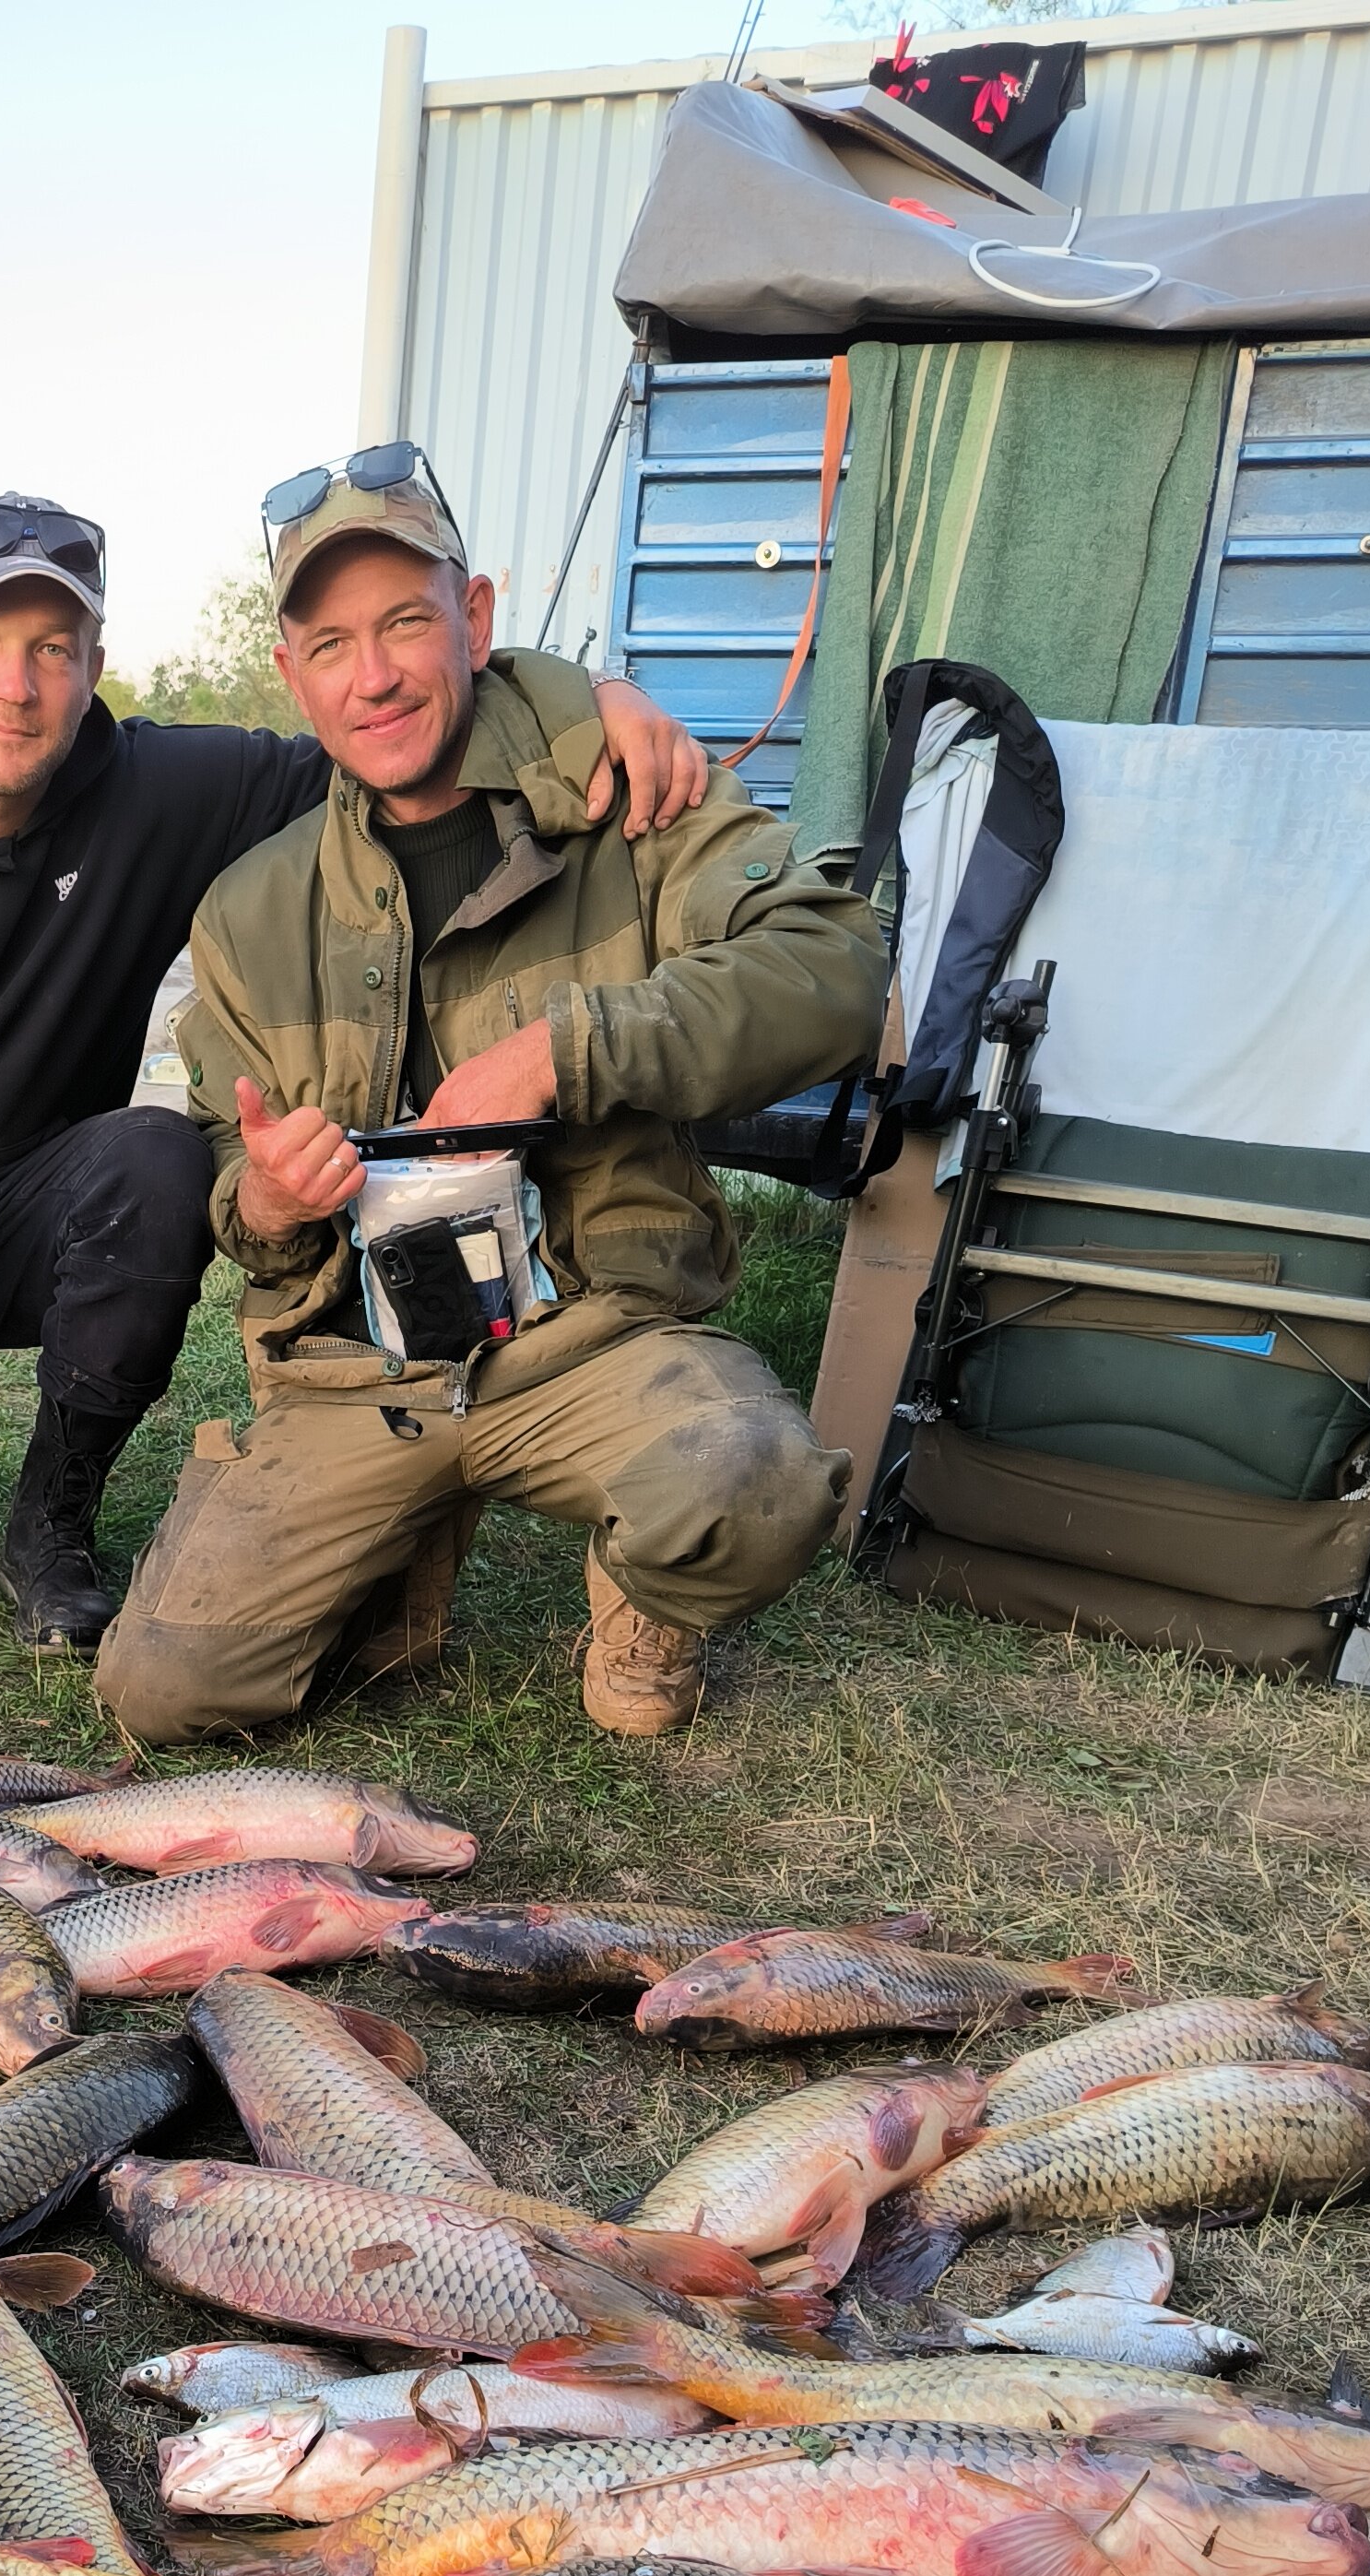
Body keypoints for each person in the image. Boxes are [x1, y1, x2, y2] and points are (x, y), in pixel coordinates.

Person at [0, 490, 708, 1648]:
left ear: (95, 665)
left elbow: (380, 731)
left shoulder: (158, 790)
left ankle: (52, 1518)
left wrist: (594, 700)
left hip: (28, 1213)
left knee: (154, 1155)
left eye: (52, 648)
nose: (16, 683)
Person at [90, 450, 887, 1743]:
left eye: (408, 621)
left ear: (474, 619)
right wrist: (274, 1194)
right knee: (164, 1695)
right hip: (359, 1374)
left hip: (594, 1341)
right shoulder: (248, 908)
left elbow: (837, 969)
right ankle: (401, 1546)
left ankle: (647, 1600)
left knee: (751, 1482)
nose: (376, 673)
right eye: (332, 641)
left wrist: (565, 1055)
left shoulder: (632, 803)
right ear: (293, 675)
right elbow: (229, 1184)